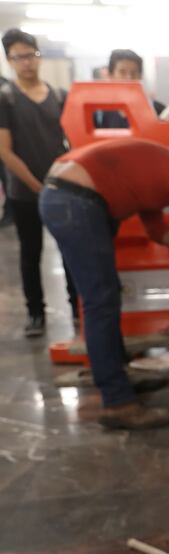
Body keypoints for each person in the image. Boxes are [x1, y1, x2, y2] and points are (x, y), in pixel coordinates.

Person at [39, 138, 169, 430]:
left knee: (104, 297)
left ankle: (118, 382)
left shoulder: (159, 168)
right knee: (101, 301)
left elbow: (159, 233)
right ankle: (118, 403)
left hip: (62, 197)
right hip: (76, 201)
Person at [0, 29, 78, 336]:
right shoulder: (6, 99)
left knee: (71, 249)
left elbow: (72, 141)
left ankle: (77, 307)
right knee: (30, 252)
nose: (26, 62)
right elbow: (5, 152)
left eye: (30, 55)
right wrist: (38, 187)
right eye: (18, 57)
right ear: (9, 61)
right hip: (24, 192)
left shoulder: (59, 96)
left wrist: (62, 183)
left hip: (61, 189)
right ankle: (36, 313)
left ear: (38, 56)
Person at [94, 49, 165, 129]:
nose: (129, 78)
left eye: (134, 73)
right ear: (111, 75)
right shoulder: (99, 113)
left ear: (140, 76)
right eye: (122, 72)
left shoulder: (158, 110)